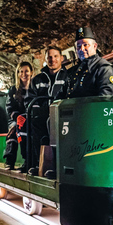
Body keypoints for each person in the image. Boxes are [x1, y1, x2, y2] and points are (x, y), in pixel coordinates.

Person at [27, 46, 67, 176]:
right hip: (43, 115)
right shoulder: (37, 79)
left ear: (61, 58)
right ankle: (38, 164)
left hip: (62, 115)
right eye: (49, 57)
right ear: (45, 59)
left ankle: (56, 167)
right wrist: (39, 112)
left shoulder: (68, 77)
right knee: (34, 126)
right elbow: (30, 99)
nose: (52, 59)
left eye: (55, 56)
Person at [63, 27, 113, 98]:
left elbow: (105, 98)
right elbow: (62, 95)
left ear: (95, 46)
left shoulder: (103, 68)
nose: (82, 49)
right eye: (78, 46)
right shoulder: (73, 71)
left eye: (86, 45)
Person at [4, 62, 34, 171]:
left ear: (31, 72)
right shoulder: (13, 89)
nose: (24, 74)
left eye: (26, 71)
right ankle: (9, 159)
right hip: (16, 118)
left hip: (30, 117)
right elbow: (9, 107)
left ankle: (29, 160)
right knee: (14, 127)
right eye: (21, 71)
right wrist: (17, 117)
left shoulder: (34, 88)